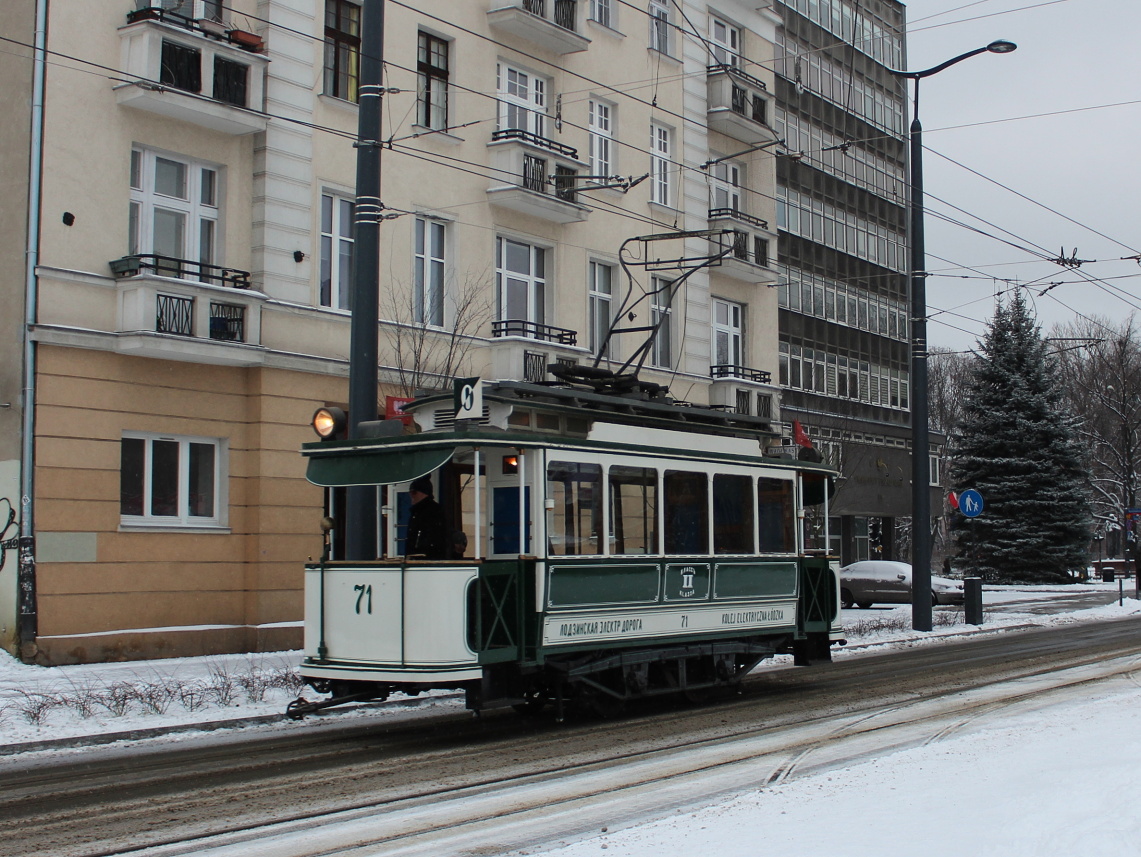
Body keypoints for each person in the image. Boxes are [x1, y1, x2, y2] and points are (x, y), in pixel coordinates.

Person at [406, 476, 447, 559]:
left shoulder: (434, 512)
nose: (411, 495)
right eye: (410, 493)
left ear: (424, 493)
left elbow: (437, 539)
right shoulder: (415, 512)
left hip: (427, 562)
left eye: (414, 492)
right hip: (415, 561)